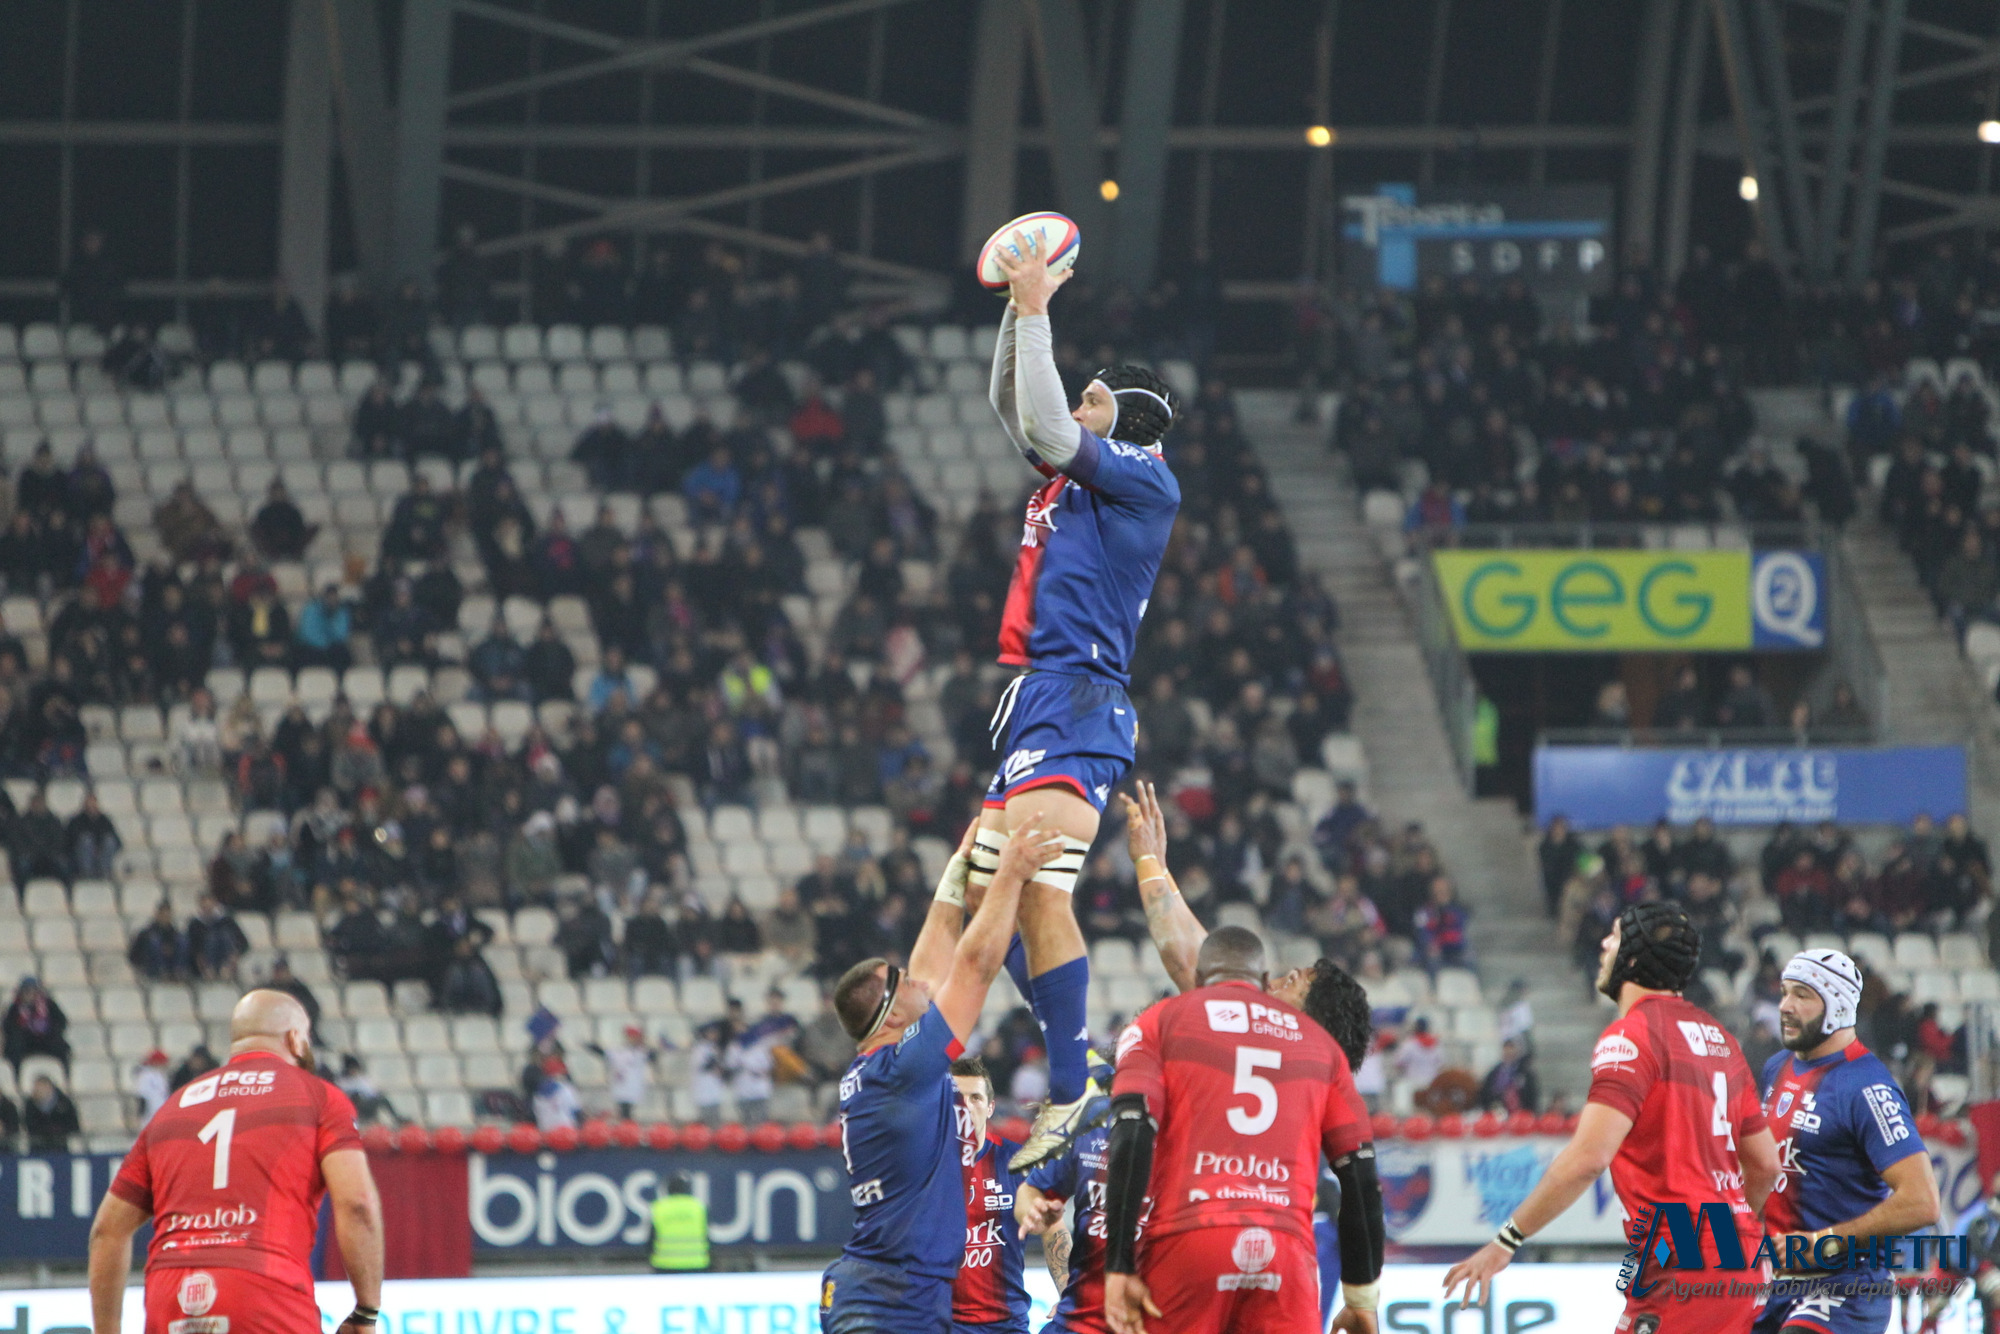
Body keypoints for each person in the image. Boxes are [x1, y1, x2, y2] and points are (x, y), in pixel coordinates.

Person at [975, 235, 1183, 1172]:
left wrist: (1038, 311)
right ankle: (1080, 1068)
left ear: (1126, 423)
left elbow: (1054, 429)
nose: (1072, 407)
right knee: (987, 894)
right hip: (1039, 695)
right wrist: (1017, 309)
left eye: (1091, 398)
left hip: (1079, 695)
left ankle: (1073, 1084)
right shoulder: (1078, 473)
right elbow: (1013, 407)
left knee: (1037, 890)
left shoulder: (1145, 476)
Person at [1443, 903, 1781, 1333]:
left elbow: (1588, 1158)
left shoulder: (1632, 1035)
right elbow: (1766, 1165)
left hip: (1684, 1259)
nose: (1604, 944)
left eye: (1616, 936)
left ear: (1634, 959)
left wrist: (1506, 1240)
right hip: (1740, 1258)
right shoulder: (1723, 1041)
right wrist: (1729, 1235)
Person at [819, 818, 1066, 1334]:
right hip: (890, 1297)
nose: (919, 982)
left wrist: (955, 876)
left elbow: (931, 974)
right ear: (892, 1016)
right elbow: (973, 967)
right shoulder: (902, 1070)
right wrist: (1009, 875)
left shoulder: (885, 1067)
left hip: (893, 1290)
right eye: (903, 982)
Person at [1099, 926, 1384, 1334]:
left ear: (1199, 979)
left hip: (1190, 1238)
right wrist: (1360, 1297)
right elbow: (1361, 1179)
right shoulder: (1324, 1048)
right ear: (1264, 980)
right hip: (1285, 1251)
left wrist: (1118, 1263)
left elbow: (1131, 1132)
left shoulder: (1159, 1021)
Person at [86, 991, 384, 1334]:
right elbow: (358, 1205)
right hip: (264, 1289)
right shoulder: (318, 1096)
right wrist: (365, 1311)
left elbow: (107, 1232)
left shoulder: (172, 1108)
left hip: (171, 1296)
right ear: (295, 1039)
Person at [1754, 949, 1940, 1334]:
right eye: (1785, 993)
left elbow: (1922, 1201)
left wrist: (1823, 1242)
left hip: (1847, 1287)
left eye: (1802, 995)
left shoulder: (1867, 1085)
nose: (1785, 1006)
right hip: (1774, 1283)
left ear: (1837, 1006)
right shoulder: (1776, 1067)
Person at [948, 1055, 1030, 1334]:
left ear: (991, 1107)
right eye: (958, 1099)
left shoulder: (1018, 1162)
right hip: (943, 1323)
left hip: (1007, 1324)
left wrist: (1066, 1291)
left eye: (975, 1098)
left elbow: (1053, 1230)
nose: (966, 1107)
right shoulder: (921, 1167)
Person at [650, 1172, 709, 1272]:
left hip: (665, 1265)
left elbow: (651, 1238)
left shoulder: (658, 1207)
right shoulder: (699, 1207)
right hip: (696, 1264)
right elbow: (708, 1236)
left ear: (668, 1189)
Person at [23, 1075, 79, 1152]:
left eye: (39, 1088)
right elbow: (29, 1125)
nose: (36, 1091)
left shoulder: (65, 1103)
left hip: (61, 1147)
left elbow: (74, 1125)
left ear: (48, 1087)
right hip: (37, 1147)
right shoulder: (30, 1105)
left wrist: (58, 1131)